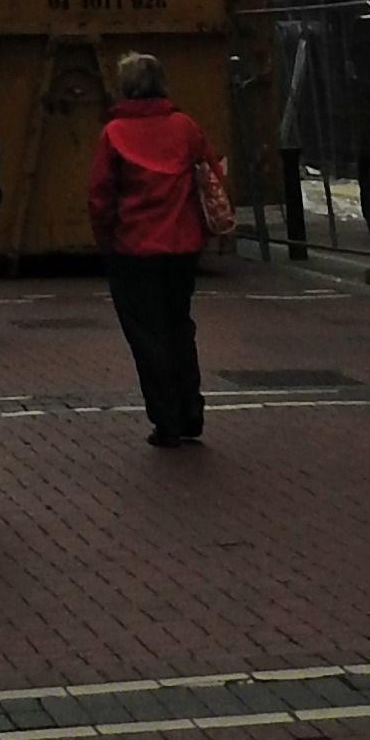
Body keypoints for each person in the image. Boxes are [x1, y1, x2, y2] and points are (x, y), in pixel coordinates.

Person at [89, 50, 220, 446]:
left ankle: (166, 418)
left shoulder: (113, 133)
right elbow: (210, 175)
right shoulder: (185, 127)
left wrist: (106, 238)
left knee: (147, 334)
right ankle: (191, 409)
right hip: (182, 244)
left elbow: (100, 195)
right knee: (180, 325)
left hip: (133, 246)